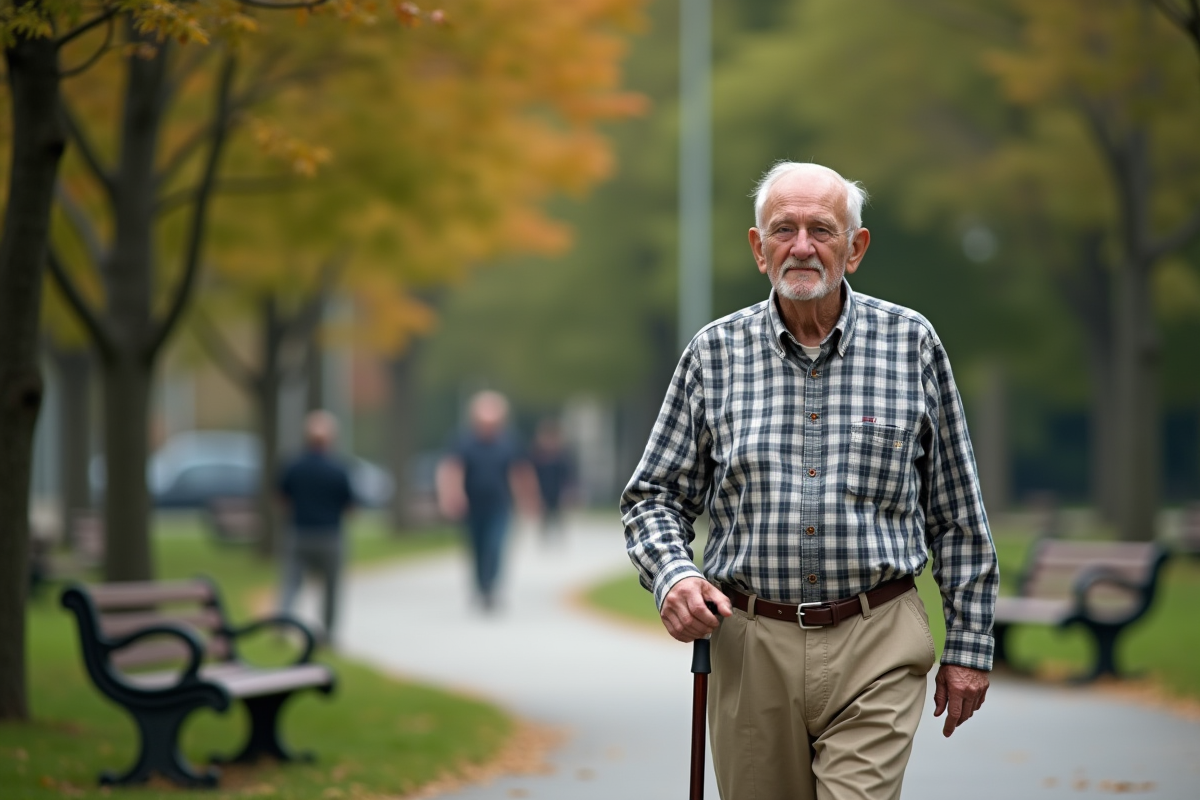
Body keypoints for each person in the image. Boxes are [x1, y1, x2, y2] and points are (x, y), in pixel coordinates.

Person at [620, 162, 998, 799]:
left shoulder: (911, 344)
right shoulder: (713, 355)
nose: (801, 246)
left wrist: (969, 644)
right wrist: (674, 576)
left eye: (821, 230)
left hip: (878, 637)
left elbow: (957, 511)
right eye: (783, 230)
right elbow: (653, 497)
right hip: (750, 643)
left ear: (855, 247)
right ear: (758, 248)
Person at [436, 390, 540, 610]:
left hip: (499, 505)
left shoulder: (509, 442)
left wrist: (528, 499)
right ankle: (480, 586)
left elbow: (521, 472)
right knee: (477, 548)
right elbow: (452, 469)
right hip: (472, 506)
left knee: (495, 546)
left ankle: (491, 587)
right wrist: (451, 495)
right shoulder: (463, 442)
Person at [278, 410, 356, 644]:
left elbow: (281, 498)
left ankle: (282, 625)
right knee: (331, 588)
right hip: (330, 535)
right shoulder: (339, 468)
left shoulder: (293, 465)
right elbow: (350, 506)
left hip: (299, 532)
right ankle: (328, 633)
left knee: (291, 583)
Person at [530, 418, 573, 544]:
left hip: (557, 490)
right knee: (544, 515)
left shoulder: (561, 455)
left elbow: (567, 474)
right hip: (542, 489)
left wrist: (569, 491)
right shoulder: (537, 454)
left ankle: (559, 537)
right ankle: (545, 537)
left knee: (558, 514)